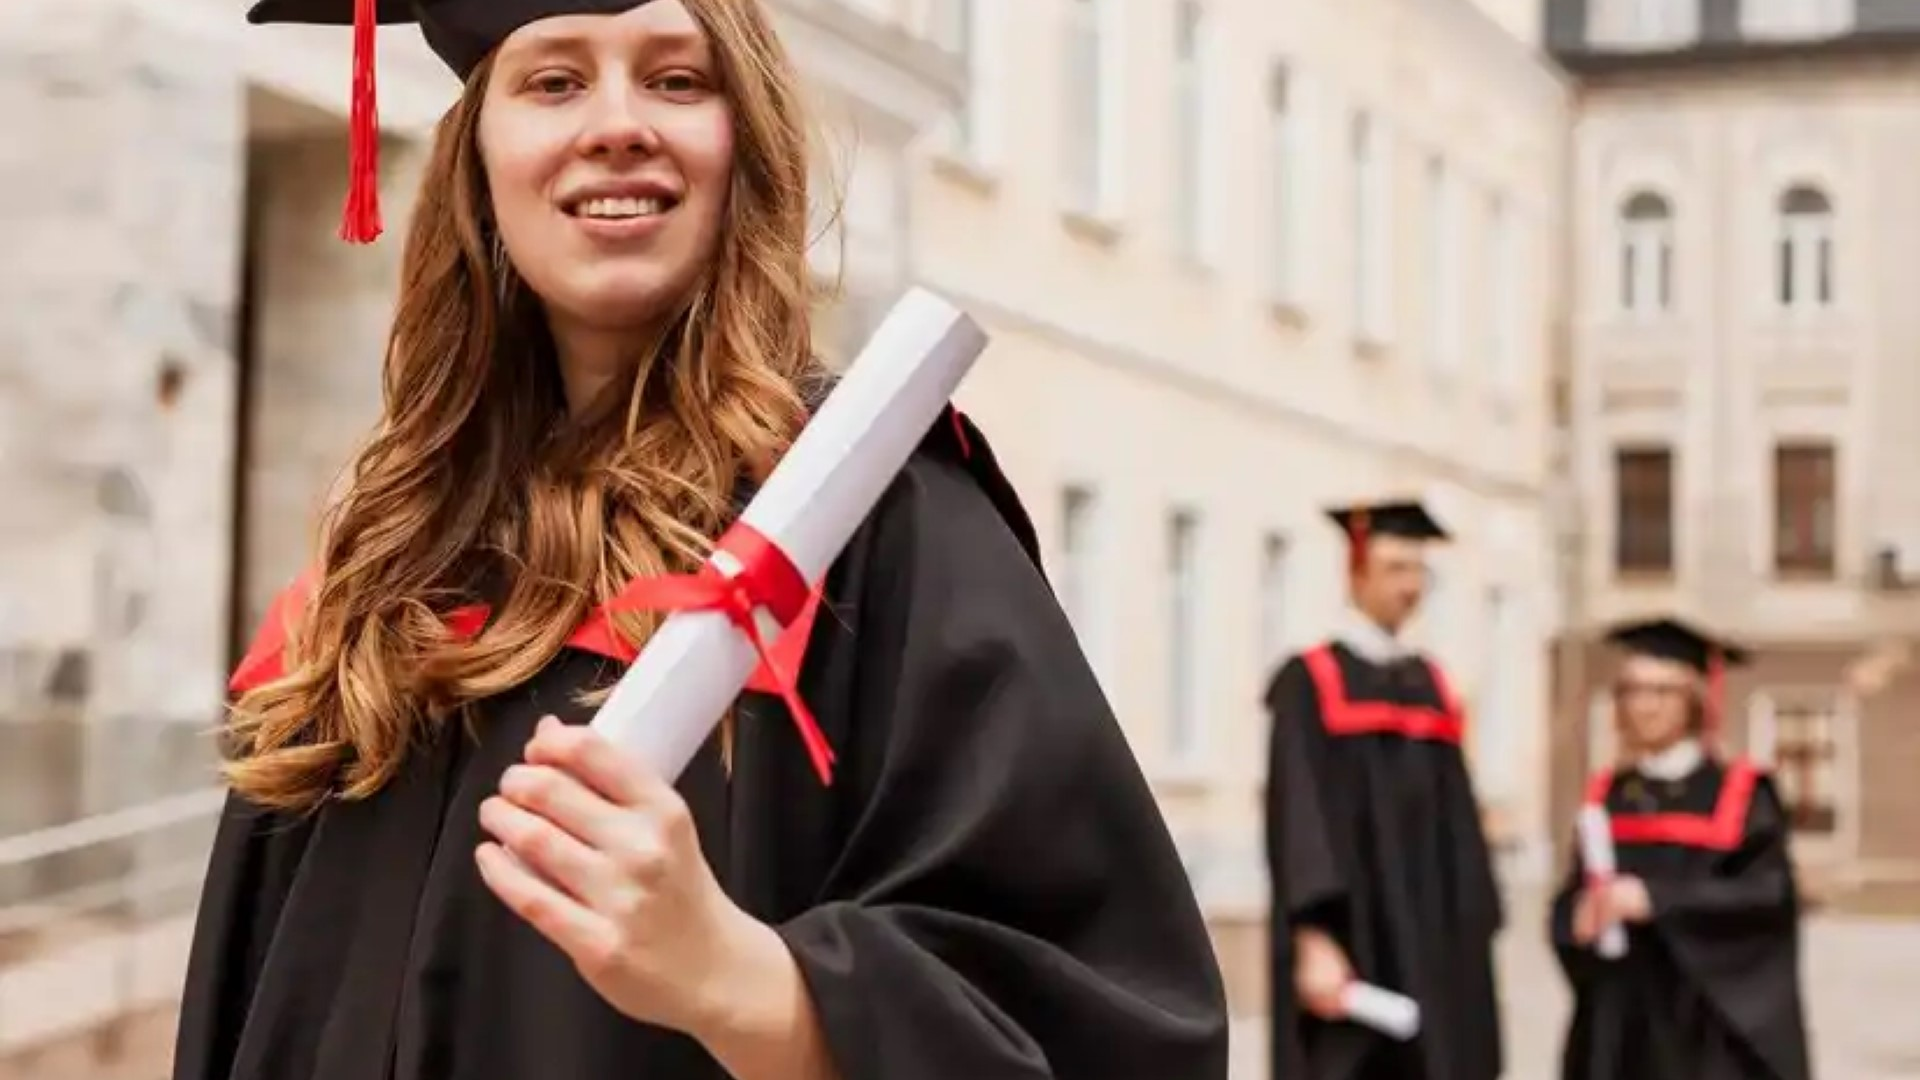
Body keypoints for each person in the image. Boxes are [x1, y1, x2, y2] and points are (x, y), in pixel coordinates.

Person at [169, 1, 1231, 1078]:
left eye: (678, 81)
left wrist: (746, 983)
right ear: (477, 159)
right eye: (553, 82)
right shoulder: (379, 567)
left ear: (746, 146)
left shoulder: (866, 531)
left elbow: (1111, 1023)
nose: (618, 123)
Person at [1261, 498, 1504, 1080]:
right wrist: (1313, 937)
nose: (1410, 587)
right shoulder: (1311, 681)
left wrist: (1476, 929)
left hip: (1433, 938)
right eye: (1396, 568)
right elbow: (1297, 814)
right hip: (1355, 935)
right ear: (1357, 573)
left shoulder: (1431, 683)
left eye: (1419, 571)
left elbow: (1461, 827)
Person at [1550, 615, 1813, 1080]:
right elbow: (1572, 896)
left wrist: (1656, 901)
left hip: (1710, 1026)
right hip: (1623, 1030)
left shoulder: (1742, 792)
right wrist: (1575, 918)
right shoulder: (1610, 793)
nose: (1643, 706)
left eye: (1661, 691)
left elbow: (1769, 896)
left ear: (1696, 699)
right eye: (1630, 691)